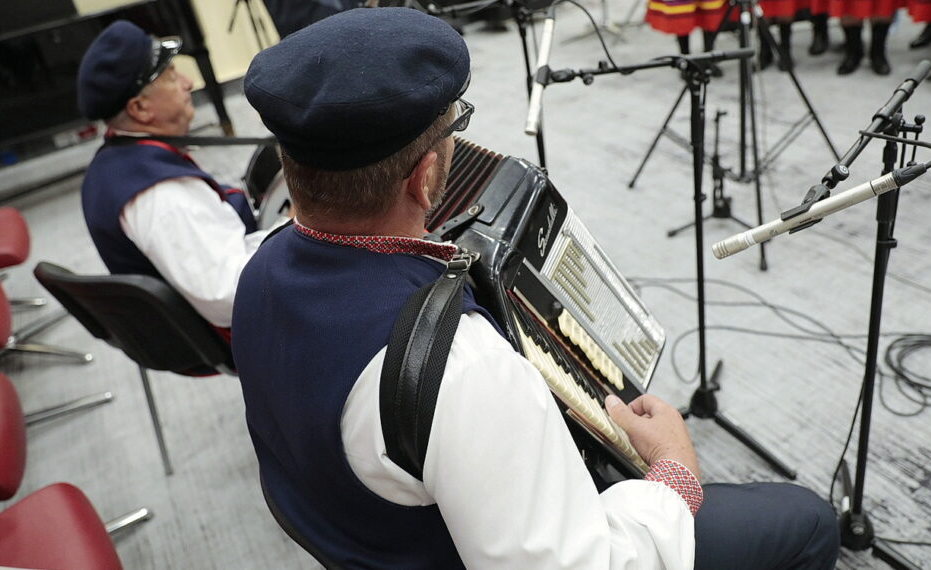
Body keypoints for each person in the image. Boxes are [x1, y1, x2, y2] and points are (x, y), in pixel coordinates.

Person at [234, 7, 840, 569]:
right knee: (807, 519)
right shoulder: (464, 371)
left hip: (367, 527)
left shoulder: (255, 267)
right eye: (457, 126)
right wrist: (674, 474)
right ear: (424, 181)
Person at [76, 20, 278, 331]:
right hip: (256, 328)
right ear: (141, 108)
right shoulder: (163, 197)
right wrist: (294, 225)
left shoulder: (114, 159)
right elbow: (231, 295)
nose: (186, 83)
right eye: (171, 77)